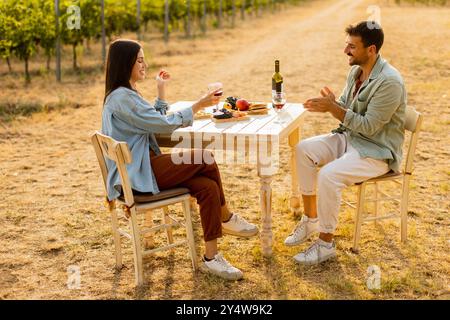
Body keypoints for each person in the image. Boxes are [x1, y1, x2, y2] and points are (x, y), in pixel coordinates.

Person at [101, 39, 258, 280]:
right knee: (205, 157)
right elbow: (161, 124)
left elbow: (150, 120)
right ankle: (225, 217)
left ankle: (211, 258)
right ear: (126, 63)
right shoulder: (123, 97)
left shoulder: (125, 94)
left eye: (144, 59)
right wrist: (198, 105)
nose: (145, 64)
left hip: (142, 167)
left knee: (207, 188)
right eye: (140, 60)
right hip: (138, 174)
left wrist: (161, 91)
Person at [285, 21, 406, 265]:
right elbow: (345, 106)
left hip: (376, 151)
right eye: (346, 45)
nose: (346, 51)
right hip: (350, 138)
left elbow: (370, 126)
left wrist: (335, 109)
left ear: (371, 50)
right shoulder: (356, 71)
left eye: (352, 46)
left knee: (329, 175)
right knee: (303, 150)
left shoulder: (390, 82)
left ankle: (325, 244)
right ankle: (310, 220)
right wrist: (331, 105)